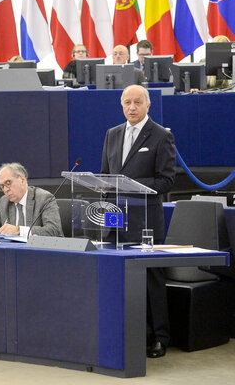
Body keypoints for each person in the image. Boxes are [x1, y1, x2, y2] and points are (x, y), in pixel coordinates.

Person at [100, 85, 176, 358]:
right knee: (115, 277)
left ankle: (159, 337)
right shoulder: (112, 134)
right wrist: (104, 186)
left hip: (145, 221)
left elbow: (166, 180)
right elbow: (106, 175)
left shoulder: (161, 136)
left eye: (137, 102)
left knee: (152, 279)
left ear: (148, 105)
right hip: (114, 218)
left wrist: (127, 185)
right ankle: (124, 334)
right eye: (126, 103)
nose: (131, 107)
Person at [0, 162, 63, 237]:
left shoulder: (44, 198)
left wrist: (19, 230)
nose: (5, 189)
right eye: (2, 186)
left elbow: (54, 231)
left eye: (8, 183)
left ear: (22, 179)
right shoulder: (5, 202)